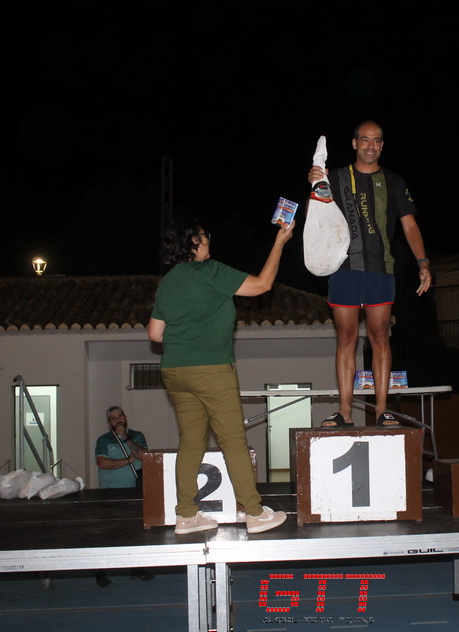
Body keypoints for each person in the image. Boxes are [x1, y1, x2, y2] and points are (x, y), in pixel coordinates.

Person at [147, 220, 293, 535]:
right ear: (193, 241)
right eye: (204, 236)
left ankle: (186, 516)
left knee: (190, 441)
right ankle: (255, 513)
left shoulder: (167, 282)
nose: (208, 240)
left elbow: (155, 334)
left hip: (175, 371)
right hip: (211, 369)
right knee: (233, 441)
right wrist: (279, 242)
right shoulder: (210, 271)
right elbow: (262, 285)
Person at [307, 121, 432, 429]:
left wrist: (423, 262)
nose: (370, 146)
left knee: (379, 337)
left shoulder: (393, 181)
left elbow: (410, 225)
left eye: (376, 141)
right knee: (346, 338)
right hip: (344, 270)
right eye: (365, 140)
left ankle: (382, 410)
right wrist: (315, 181)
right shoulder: (336, 177)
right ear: (354, 143)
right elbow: (319, 214)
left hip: (381, 270)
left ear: (382, 145)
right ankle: (344, 412)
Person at [93, 405, 152, 585]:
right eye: (113, 418)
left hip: (134, 490)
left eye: (120, 416)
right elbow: (103, 463)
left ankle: (136, 568)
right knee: (108, 533)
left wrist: (126, 438)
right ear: (109, 423)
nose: (118, 419)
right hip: (110, 492)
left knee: (135, 531)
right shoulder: (103, 440)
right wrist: (127, 460)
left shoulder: (137, 436)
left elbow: (145, 456)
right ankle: (100, 571)